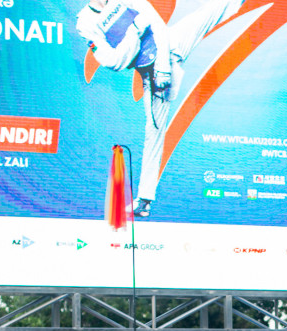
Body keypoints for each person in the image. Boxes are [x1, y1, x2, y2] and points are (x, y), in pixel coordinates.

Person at [76, 0, 248, 219]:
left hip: (169, 46)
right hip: (149, 74)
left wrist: (164, 68)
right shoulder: (85, 22)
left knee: (208, 12)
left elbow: (157, 25)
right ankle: (145, 201)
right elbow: (115, 61)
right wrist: (136, 30)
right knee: (154, 133)